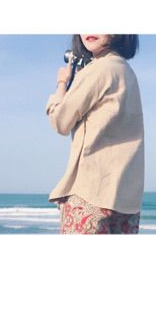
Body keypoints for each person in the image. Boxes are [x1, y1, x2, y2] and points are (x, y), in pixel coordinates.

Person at [45, 35, 144, 234]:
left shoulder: (98, 69)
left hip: (89, 193)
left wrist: (62, 83)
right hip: (126, 200)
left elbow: (60, 121)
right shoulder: (127, 72)